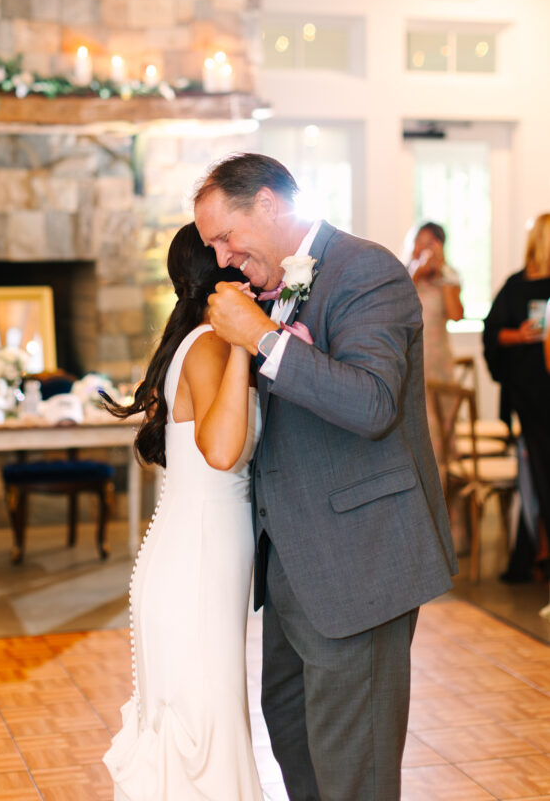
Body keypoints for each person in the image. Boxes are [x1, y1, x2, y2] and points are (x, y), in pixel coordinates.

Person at [193, 153, 457, 801]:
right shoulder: (280, 282)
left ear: (269, 203)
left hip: (357, 562)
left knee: (353, 774)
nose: (222, 257)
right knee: (292, 733)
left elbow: (370, 404)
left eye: (225, 236)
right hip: (292, 561)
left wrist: (260, 337)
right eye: (211, 247)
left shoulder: (364, 269)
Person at [103, 223, 264, 800]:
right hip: (198, 558)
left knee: (205, 719)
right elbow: (221, 452)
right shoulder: (212, 345)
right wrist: (248, 342)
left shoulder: (192, 339)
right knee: (205, 725)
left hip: (194, 550)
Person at [483, 214, 550, 592]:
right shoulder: (516, 285)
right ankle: (534, 553)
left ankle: (535, 553)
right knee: (537, 474)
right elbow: (492, 336)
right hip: (530, 395)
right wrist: (521, 335)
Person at [407, 221, 466, 548]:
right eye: (421, 242)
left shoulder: (449, 277)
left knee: (446, 448)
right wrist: (417, 269)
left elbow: (457, 314)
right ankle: (423, 533)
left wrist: (442, 272)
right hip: (415, 374)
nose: (426, 249)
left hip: (442, 373)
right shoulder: (405, 275)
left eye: (432, 244)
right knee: (425, 449)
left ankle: (450, 533)